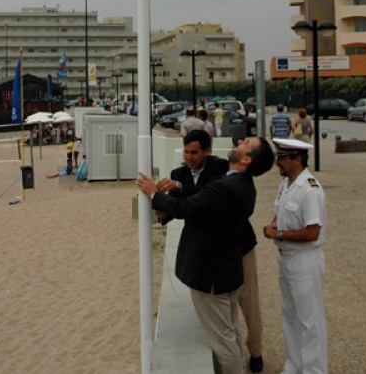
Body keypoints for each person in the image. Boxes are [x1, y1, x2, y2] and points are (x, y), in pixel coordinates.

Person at [136, 136, 274, 374]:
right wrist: (165, 204)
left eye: (246, 143)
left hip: (211, 274)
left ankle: (247, 360)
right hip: (226, 268)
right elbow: (193, 205)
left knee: (224, 341)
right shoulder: (240, 184)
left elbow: (185, 207)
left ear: (246, 158)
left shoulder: (225, 185)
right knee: (230, 331)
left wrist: (153, 193)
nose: (239, 141)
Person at [263, 138, 328, 374]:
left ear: (296, 159)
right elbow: (279, 212)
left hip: (305, 261)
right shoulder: (285, 184)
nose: (277, 162)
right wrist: (273, 225)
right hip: (286, 258)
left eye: (282, 157)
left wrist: (278, 232)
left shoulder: (310, 189)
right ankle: (294, 365)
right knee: (290, 316)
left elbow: (313, 232)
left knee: (310, 321)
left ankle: (314, 370)